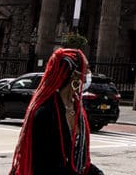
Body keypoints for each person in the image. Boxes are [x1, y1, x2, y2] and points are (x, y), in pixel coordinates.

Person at [9, 47, 103, 175]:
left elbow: (80, 161)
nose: (89, 73)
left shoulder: (77, 110)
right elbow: (45, 165)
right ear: (73, 74)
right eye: (86, 68)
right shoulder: (45, 113)